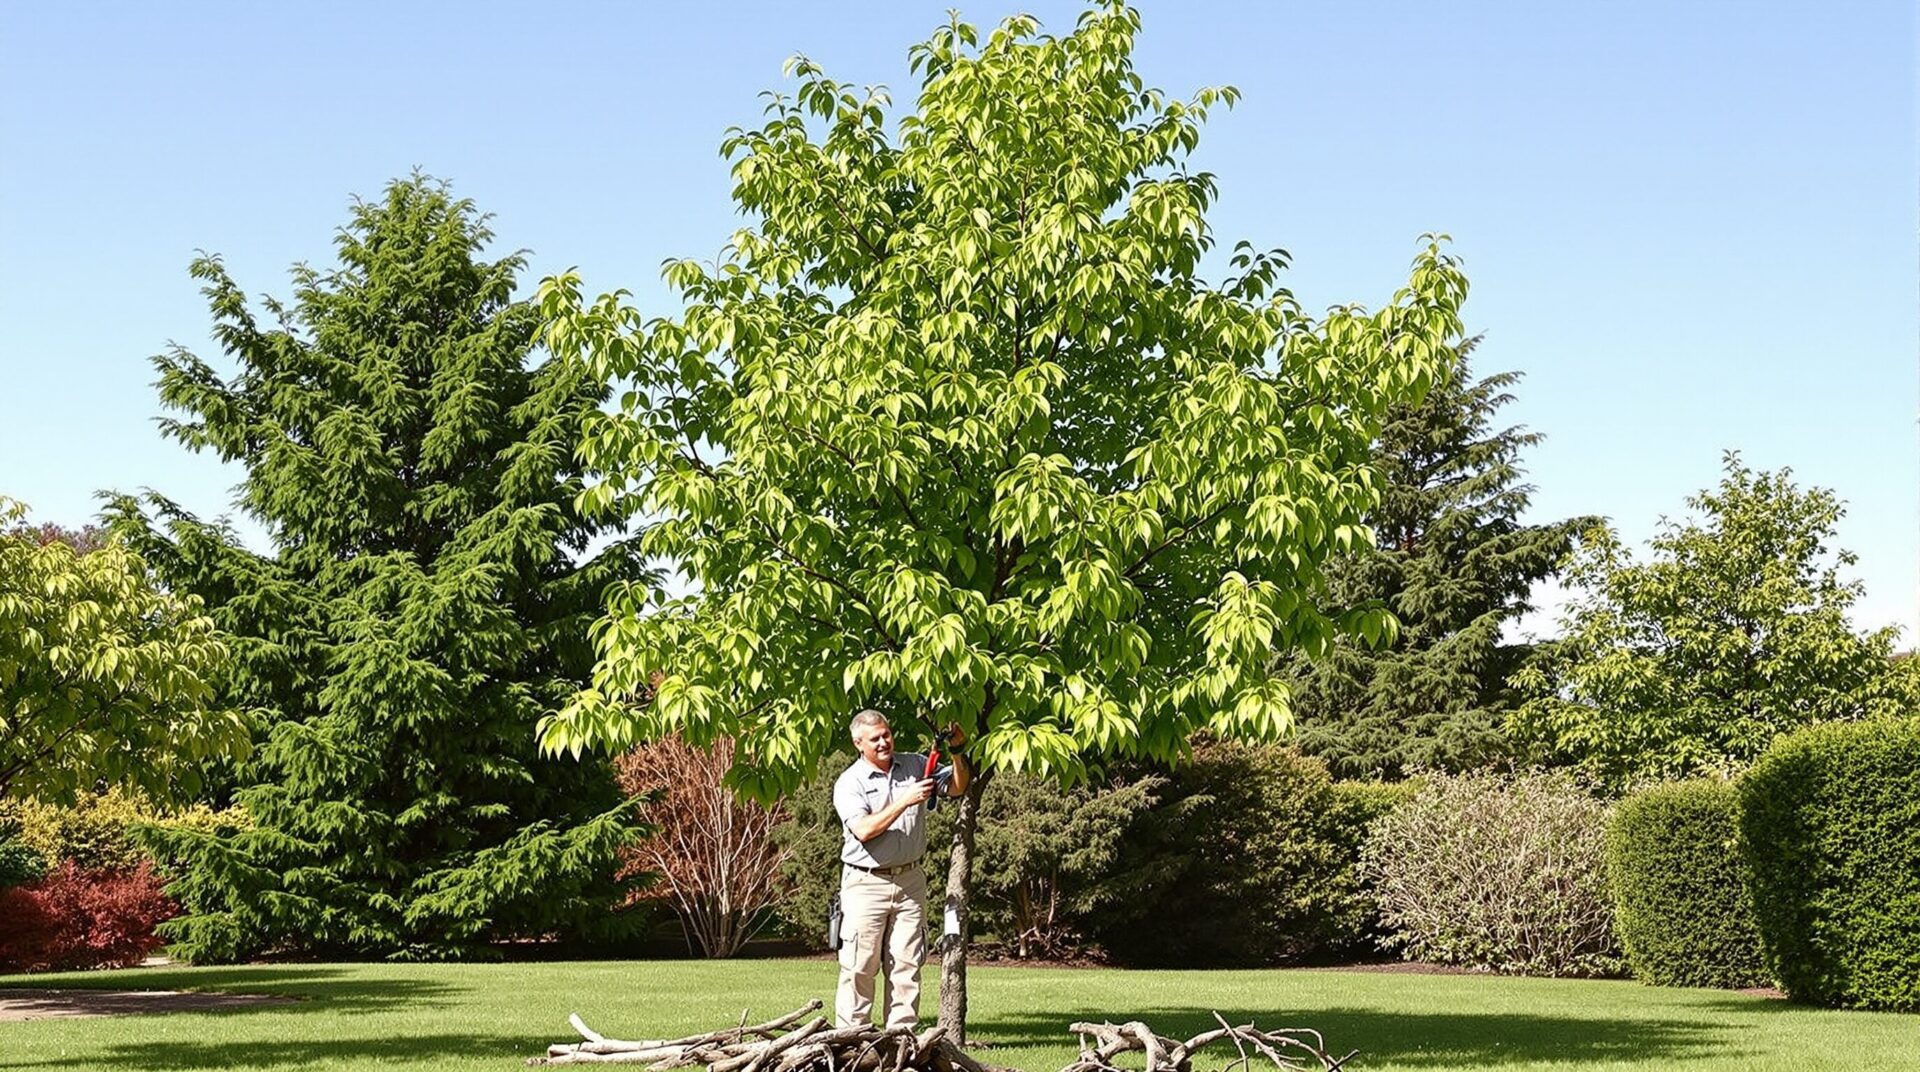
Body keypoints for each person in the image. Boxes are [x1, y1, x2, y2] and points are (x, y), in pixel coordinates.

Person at [832, 708, 970, 1029]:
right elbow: (864, 830)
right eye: (874, 739)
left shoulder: (915, 765)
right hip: (866, 883)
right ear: (858, 743)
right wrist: (905, 800)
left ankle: (901, 1046)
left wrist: (957, 751)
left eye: (886, 735)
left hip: (910, 881)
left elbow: (958, 786)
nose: (883, 742)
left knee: (906, 968)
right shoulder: (849, 782)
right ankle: (852, 1046)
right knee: (859, 968)